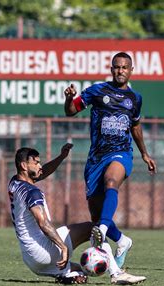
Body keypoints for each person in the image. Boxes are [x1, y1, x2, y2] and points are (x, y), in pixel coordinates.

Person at [64, 52, 156, 268]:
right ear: (111, 68)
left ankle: (103, 231)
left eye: (124, 67)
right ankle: (122, 241)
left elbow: (135, 126)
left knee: (111, 181)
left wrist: (144, 153)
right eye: (116, 67)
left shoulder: (135, 98)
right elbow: (71, 111)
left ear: (131, 70)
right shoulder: (97, 91)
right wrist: (69, 98)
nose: (120, 71)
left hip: (121, 153)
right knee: (97, 215)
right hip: (96, 158)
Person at [8, 144, 146, 285]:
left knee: (80, 270)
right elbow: (42, 222)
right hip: (44, 250)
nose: (40, 166)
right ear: (24, 166)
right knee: (94, 228)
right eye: (36, 163)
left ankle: (69, 274)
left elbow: (42, 173)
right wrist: (63, 247)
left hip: (31, 260)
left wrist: (61, 156)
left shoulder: (14, 183)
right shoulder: (32, 192)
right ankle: (116, 273)